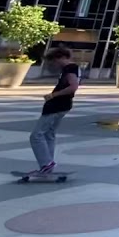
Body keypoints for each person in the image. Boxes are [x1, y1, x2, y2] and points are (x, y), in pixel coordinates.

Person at [30, 46, 79, 175]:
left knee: (36, 135)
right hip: (63, 105)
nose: (55, 65)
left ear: (61, 57)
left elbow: (73, 86)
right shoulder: (72, 68)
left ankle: (46, 164)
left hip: (57, 105)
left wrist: (53, 95)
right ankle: (48, 164)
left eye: (55, 61)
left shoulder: (70, 68)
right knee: (49, 134)